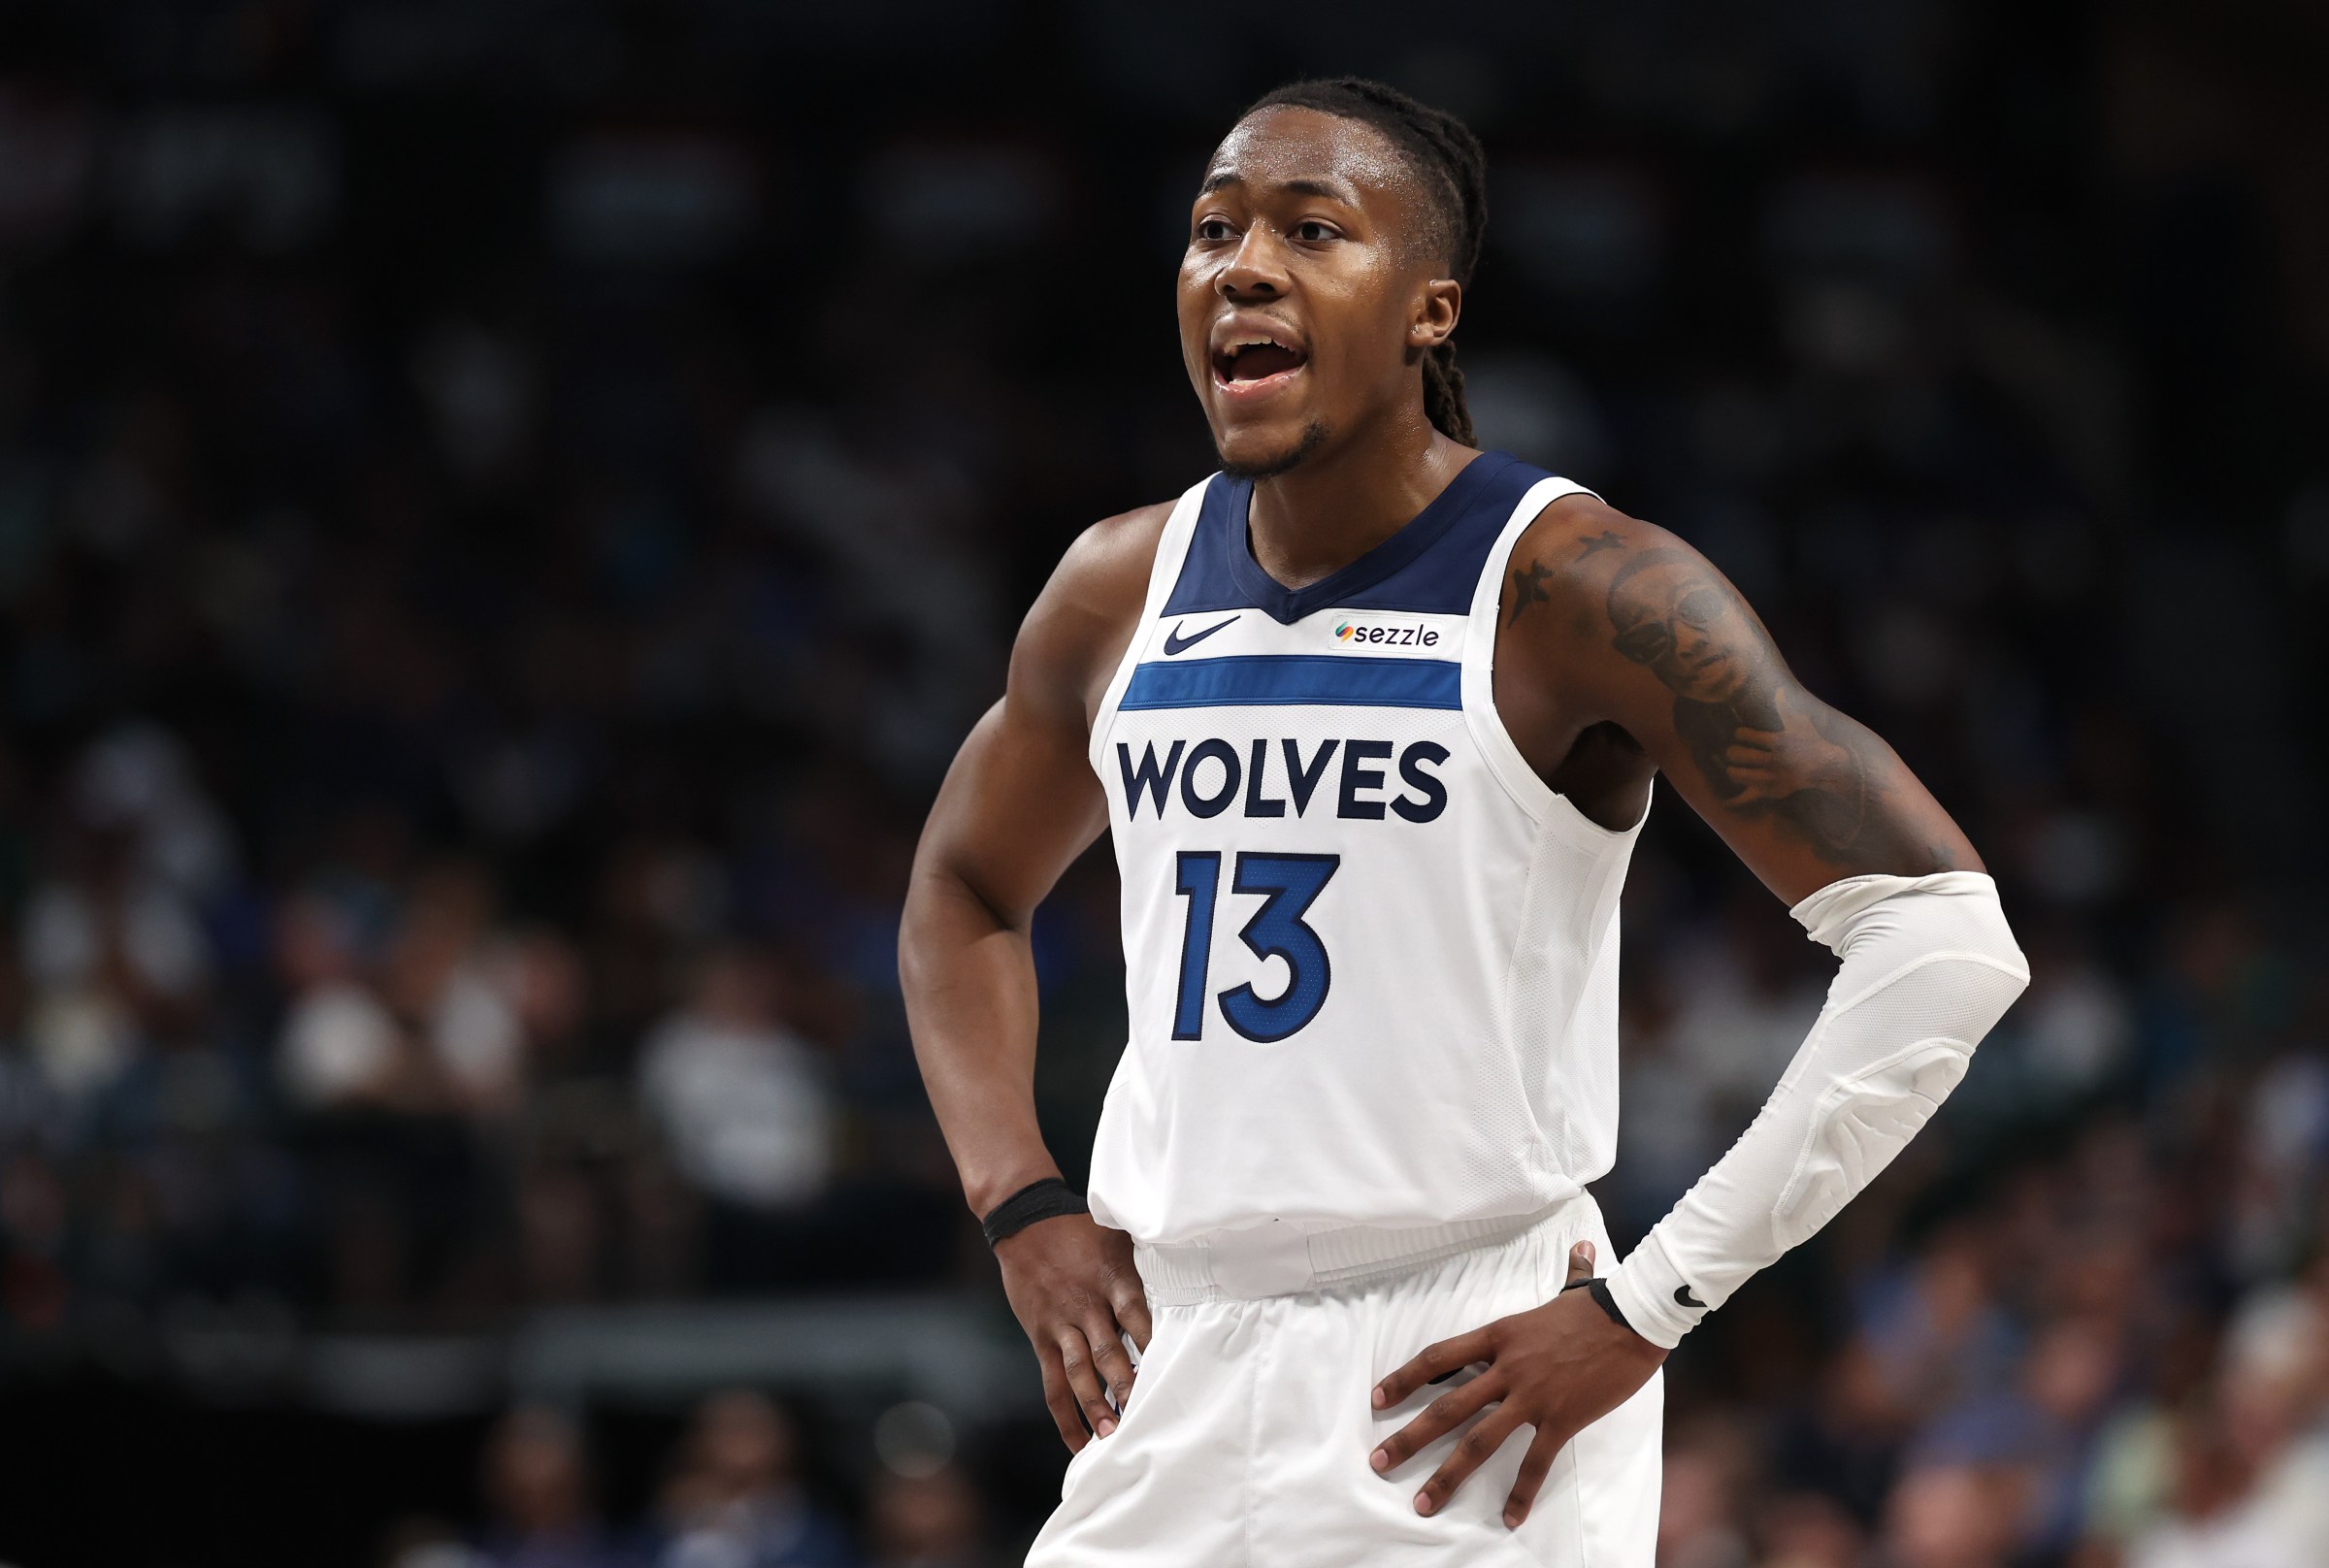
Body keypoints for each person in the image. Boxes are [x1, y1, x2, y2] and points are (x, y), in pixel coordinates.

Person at [898, 76, 2028, 1567]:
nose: (1244, 266)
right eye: (1214, 230)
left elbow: (1946, 940)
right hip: (1174, 1355)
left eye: (1315, 231)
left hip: (1470, 1370)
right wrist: (1022, 1204)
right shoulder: (1119, 588)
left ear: (1430, 311)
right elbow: (966, 888)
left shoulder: (1577, 585)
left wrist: (1652, 1302)